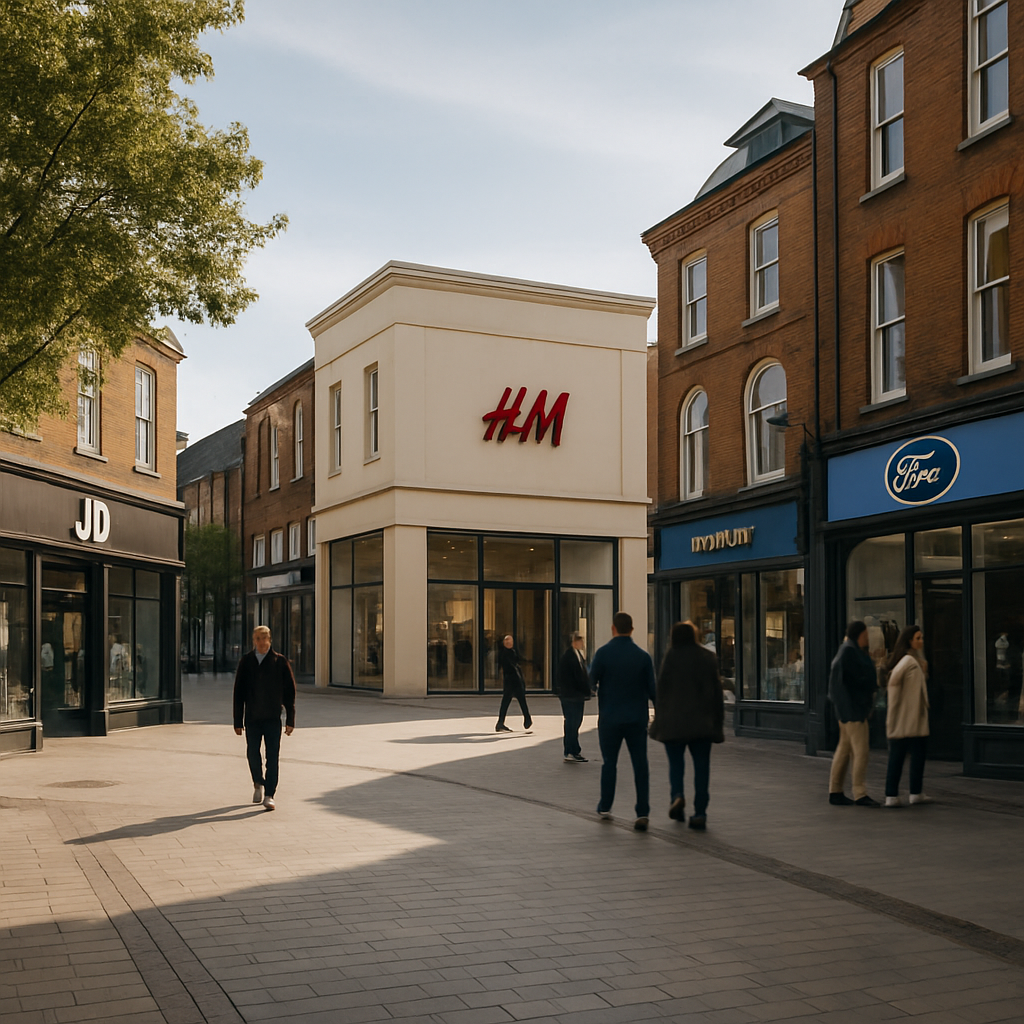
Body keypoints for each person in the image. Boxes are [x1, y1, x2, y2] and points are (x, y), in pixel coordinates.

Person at [648, 621, 724, 831]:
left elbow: (661, 691)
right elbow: (716, 694)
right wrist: (718, 725)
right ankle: (700, 812)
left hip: (673, 723)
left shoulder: (671, 657)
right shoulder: (708, 657)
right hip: (701, 724)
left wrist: (660, 719)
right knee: (702, 768)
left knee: (676, 766)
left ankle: (677, 796)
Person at [589, 611, 657, 831]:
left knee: (610, 763)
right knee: (640, 764)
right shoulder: (643, 656)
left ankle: (605, 806)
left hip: (610, 718)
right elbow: (653, 690)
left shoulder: (603, 653)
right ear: (632, 629)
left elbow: (591, 682)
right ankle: (642, 811)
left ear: (613, 628)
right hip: (636, 718)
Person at [233, 625, 296, 811]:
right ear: (254, 640)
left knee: (272, 757)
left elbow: (289, 692)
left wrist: (290, 719)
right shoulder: (246, 662)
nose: (261, 642)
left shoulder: (279, 661)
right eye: (257, 638)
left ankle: (269, 794)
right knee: (253, 753)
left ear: (270, 639)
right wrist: (238, 721)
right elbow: (238, 693)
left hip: (271, 718)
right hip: (252, 718)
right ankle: (257, 782)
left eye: (264, 638)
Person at [828, 620, 880, 807]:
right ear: (858, 635)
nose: (868, 638)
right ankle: (860, 793)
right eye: (865, 635)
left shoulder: (847, 650)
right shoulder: (850, 653)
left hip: (847, 710)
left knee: (844, 750)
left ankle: (835, 791)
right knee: (860, 752)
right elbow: (854, 682)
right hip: (853, 711)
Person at [884, 625, 933, 807]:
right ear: (909, 640)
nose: (921, 641)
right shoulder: (908, 662)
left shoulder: (913, 661)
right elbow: (894, 689)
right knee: (903, 756)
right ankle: (901, 794)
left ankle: (907, 793)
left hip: (911, 717)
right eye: (918, 638)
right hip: (908, 717)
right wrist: (893, 716)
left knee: (909, 756)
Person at [556, 631, 593, 762]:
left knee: (575, 722)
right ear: (574, 643)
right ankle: (571, 750)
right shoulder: (569, 657)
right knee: (572, 722)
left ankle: (574, 749)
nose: (583, 643)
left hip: (576, 696)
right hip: (571, 696)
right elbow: (575, 678)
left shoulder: (578, 655)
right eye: (580, 641)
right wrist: (586, 689)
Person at [495, 634, 532, 733]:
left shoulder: (512, 652)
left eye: (510, 642)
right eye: (507, 642)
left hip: (512, 681)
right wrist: (519, 679)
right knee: (517, 700)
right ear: (504, 643)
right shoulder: (504, 653)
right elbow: (512, 667)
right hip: (512, 681)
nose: (509, 643)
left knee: (511, 701)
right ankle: (527, 719)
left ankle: (501, 722)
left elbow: (517, 663)